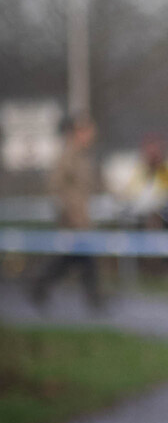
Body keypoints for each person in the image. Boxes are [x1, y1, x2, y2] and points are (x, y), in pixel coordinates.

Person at [30, 113, 105, 312]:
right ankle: (94, 300)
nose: (91, 135)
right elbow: (56, 187)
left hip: (81, 217)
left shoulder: (82, 157)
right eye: (87, 131)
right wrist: (67, 212)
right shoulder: (68, 156)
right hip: (72, 219)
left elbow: (92, 186)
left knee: (74, 259)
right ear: (78, 133)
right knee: (80, 258)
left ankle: (40, 287)